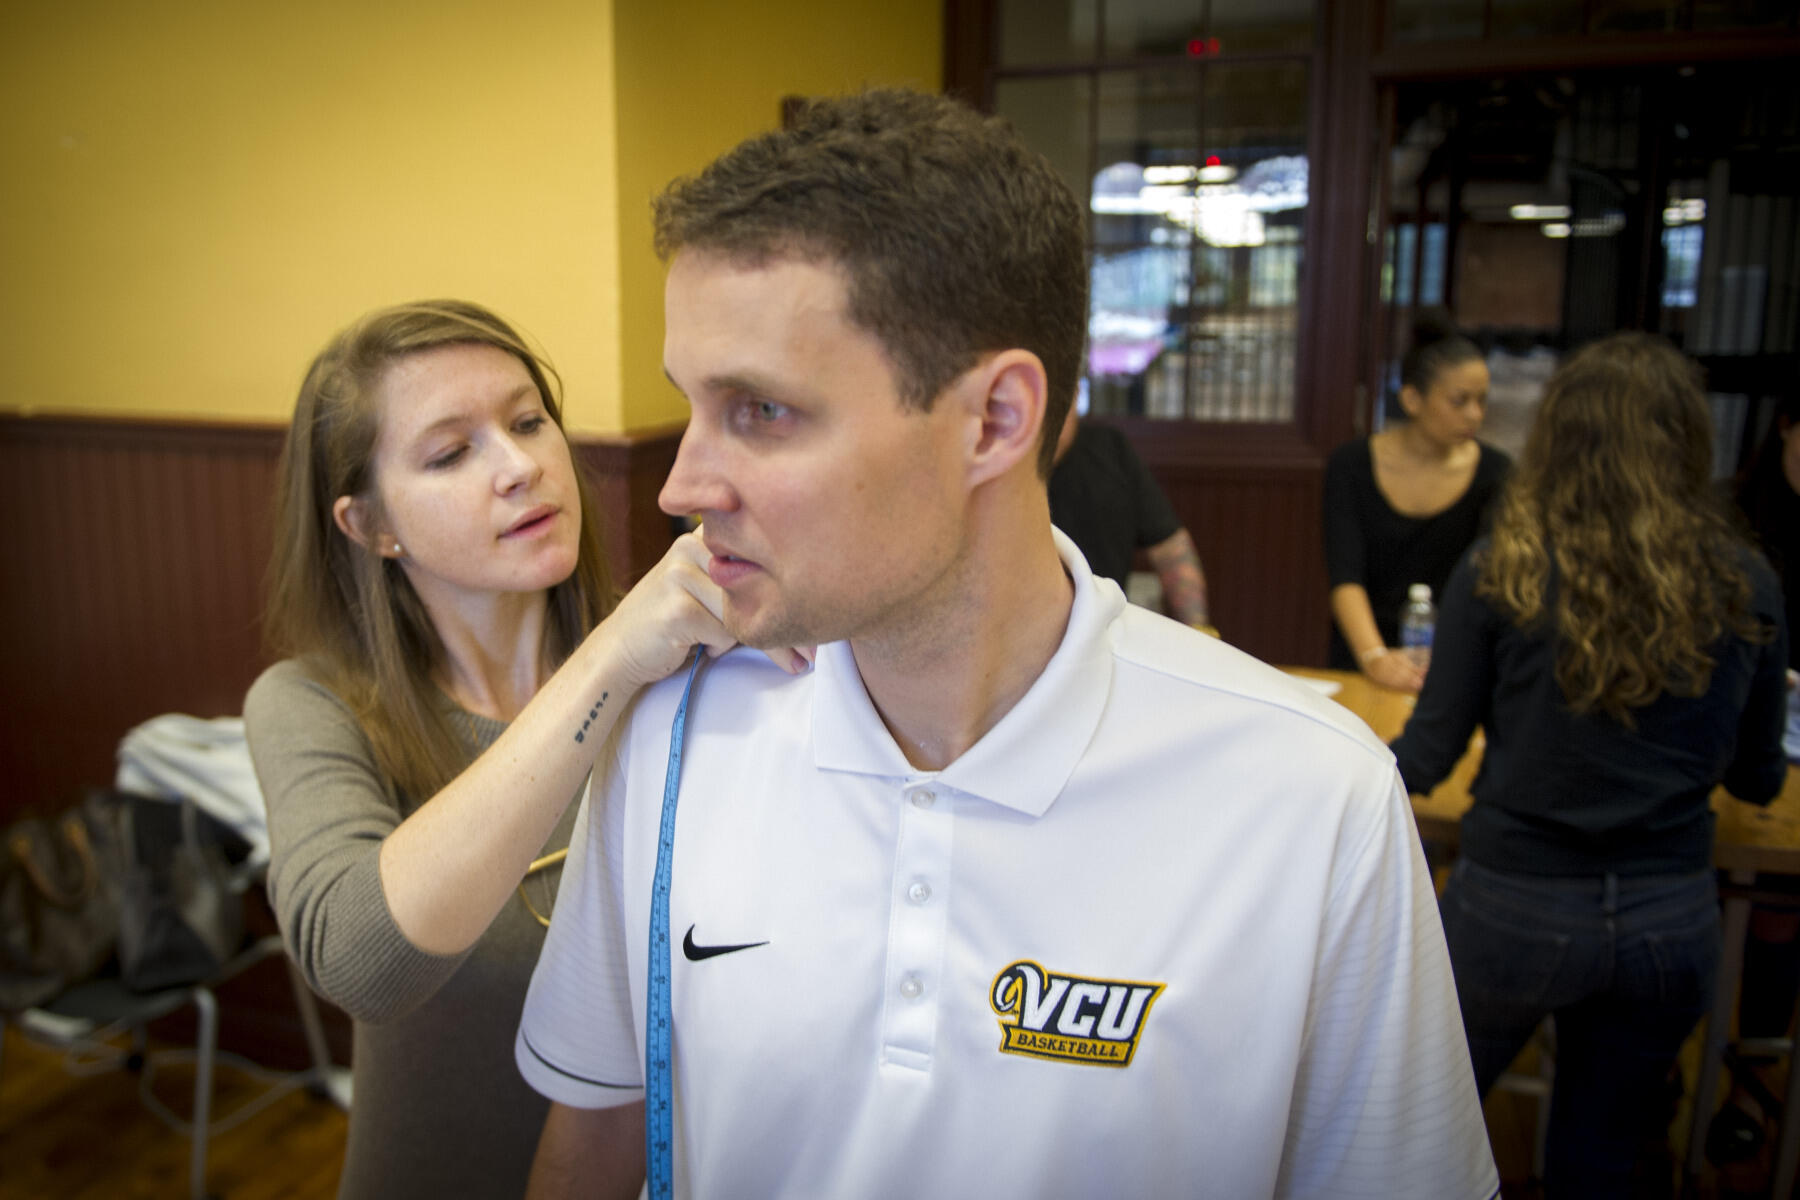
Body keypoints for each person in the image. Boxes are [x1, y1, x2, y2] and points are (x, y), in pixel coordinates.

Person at [515, 89, 1497, 1199]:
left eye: (762, 412)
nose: (684, 484)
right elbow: (591, 1147)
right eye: (689, 406)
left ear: (994, 421)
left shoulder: (1315, 800)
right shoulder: (671, 734)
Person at [244, 300, 803, 1199]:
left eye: (528, 420)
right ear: (369, 526)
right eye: (450, 452)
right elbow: (360, 961)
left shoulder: (697, 659)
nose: (520, 468)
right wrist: (607, 664)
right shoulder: (313, 704)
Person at [1390, 332, 1790, 1197]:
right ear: (1690, 442)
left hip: (1514, 907)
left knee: (1416, 1145)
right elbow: (1759, 778)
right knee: (1599, 1165)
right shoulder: (1745, 582)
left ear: (1556, 440)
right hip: (1668, 918)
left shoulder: (1502, 570)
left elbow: (1425, 757)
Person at [1706, 391, 1800, 1181]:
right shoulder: (1731, 525)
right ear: (1787, 432)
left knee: (1777, 915)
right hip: (1745, 754)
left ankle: (1748, 1088)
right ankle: (1674, 1082)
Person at [1323, 314, 1511, 692]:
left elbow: (1490, 584)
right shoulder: (1352, 465)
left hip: (1457, 662)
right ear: (1412, 399)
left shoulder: (1496, 472)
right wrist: (1375, 657)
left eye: (1481, 400)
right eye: (1459, 401)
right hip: (1363, 654)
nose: (1474, 414)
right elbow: (1346, 578)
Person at [1049, 406, 1212, 630]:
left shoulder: (1111, 450)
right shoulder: (1000, 464)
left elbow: (1170, 548)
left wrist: (1199, 630)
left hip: (1106, 639)